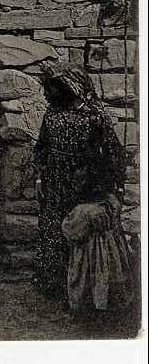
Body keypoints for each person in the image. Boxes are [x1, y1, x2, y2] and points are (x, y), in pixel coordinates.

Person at [34, 62, 133, 311]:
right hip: (54, 184)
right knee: (52, 231)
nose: (47, 94)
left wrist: (109, 189)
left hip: (83, 187)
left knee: (79, 236)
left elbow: (113, 153)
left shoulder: (93, 116)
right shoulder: (52, 114)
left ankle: (82, 293)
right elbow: (42, 148)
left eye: (52, 89)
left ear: (70, 87)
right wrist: (39, 178)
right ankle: (53, 284)